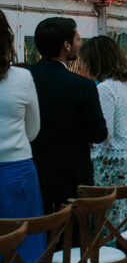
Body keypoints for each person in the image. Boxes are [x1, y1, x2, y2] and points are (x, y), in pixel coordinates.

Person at [27, 17, 107, 213]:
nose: (79, 44)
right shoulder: (82, 85)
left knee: (40, 225)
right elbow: (98, 133)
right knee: (74, 229)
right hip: (72, 176)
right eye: (77, 39)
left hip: (34, 169)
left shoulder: (25, 77)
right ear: (66, 45)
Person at [79, 36, 127, 230]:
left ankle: (112, 248)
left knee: (111, 222)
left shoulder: (105, 88)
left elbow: (103, 134)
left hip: (113, 166)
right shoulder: (126, 85)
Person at [0, 10, 45, 263]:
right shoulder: (23, 78)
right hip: (18, 169)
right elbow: (32, 130)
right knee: (24, 250)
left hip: (17, 171)